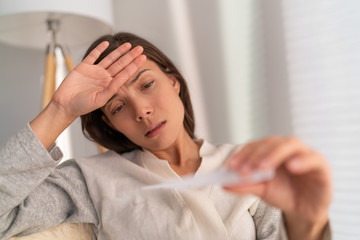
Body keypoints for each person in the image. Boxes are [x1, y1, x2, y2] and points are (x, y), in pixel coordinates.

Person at [0, 32, 332, 240]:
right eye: (118, 107)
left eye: (147, 85)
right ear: (111, 124)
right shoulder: (90, 181)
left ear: (173, 81)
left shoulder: (247, 165)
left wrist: (310, 222)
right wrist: (60, 109)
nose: (141, 111)